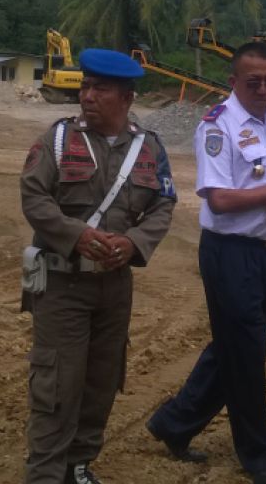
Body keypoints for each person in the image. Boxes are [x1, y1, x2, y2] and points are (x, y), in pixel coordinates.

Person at [147, 41, 266, 484]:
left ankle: (173, 423)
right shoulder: (217, 127)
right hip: (228, 253)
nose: (263, 89)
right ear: (234, 81)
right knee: (247, 353)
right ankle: (259, 453)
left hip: (265, 253)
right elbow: (218, 200)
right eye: (253, 81)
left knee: (233, 348)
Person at [19, 49, 177, 484]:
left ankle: (79, 465)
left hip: (114, 286)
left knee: (101, 379)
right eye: (86, 86)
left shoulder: (150, 148)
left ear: (127, 97)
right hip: (62, 284)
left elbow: (164, 205)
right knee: (56, 385)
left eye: (100, 89)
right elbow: (34, 197)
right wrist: (77, 237)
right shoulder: (56, 140)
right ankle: (46, 474)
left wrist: (133, 243)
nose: (87, 95)